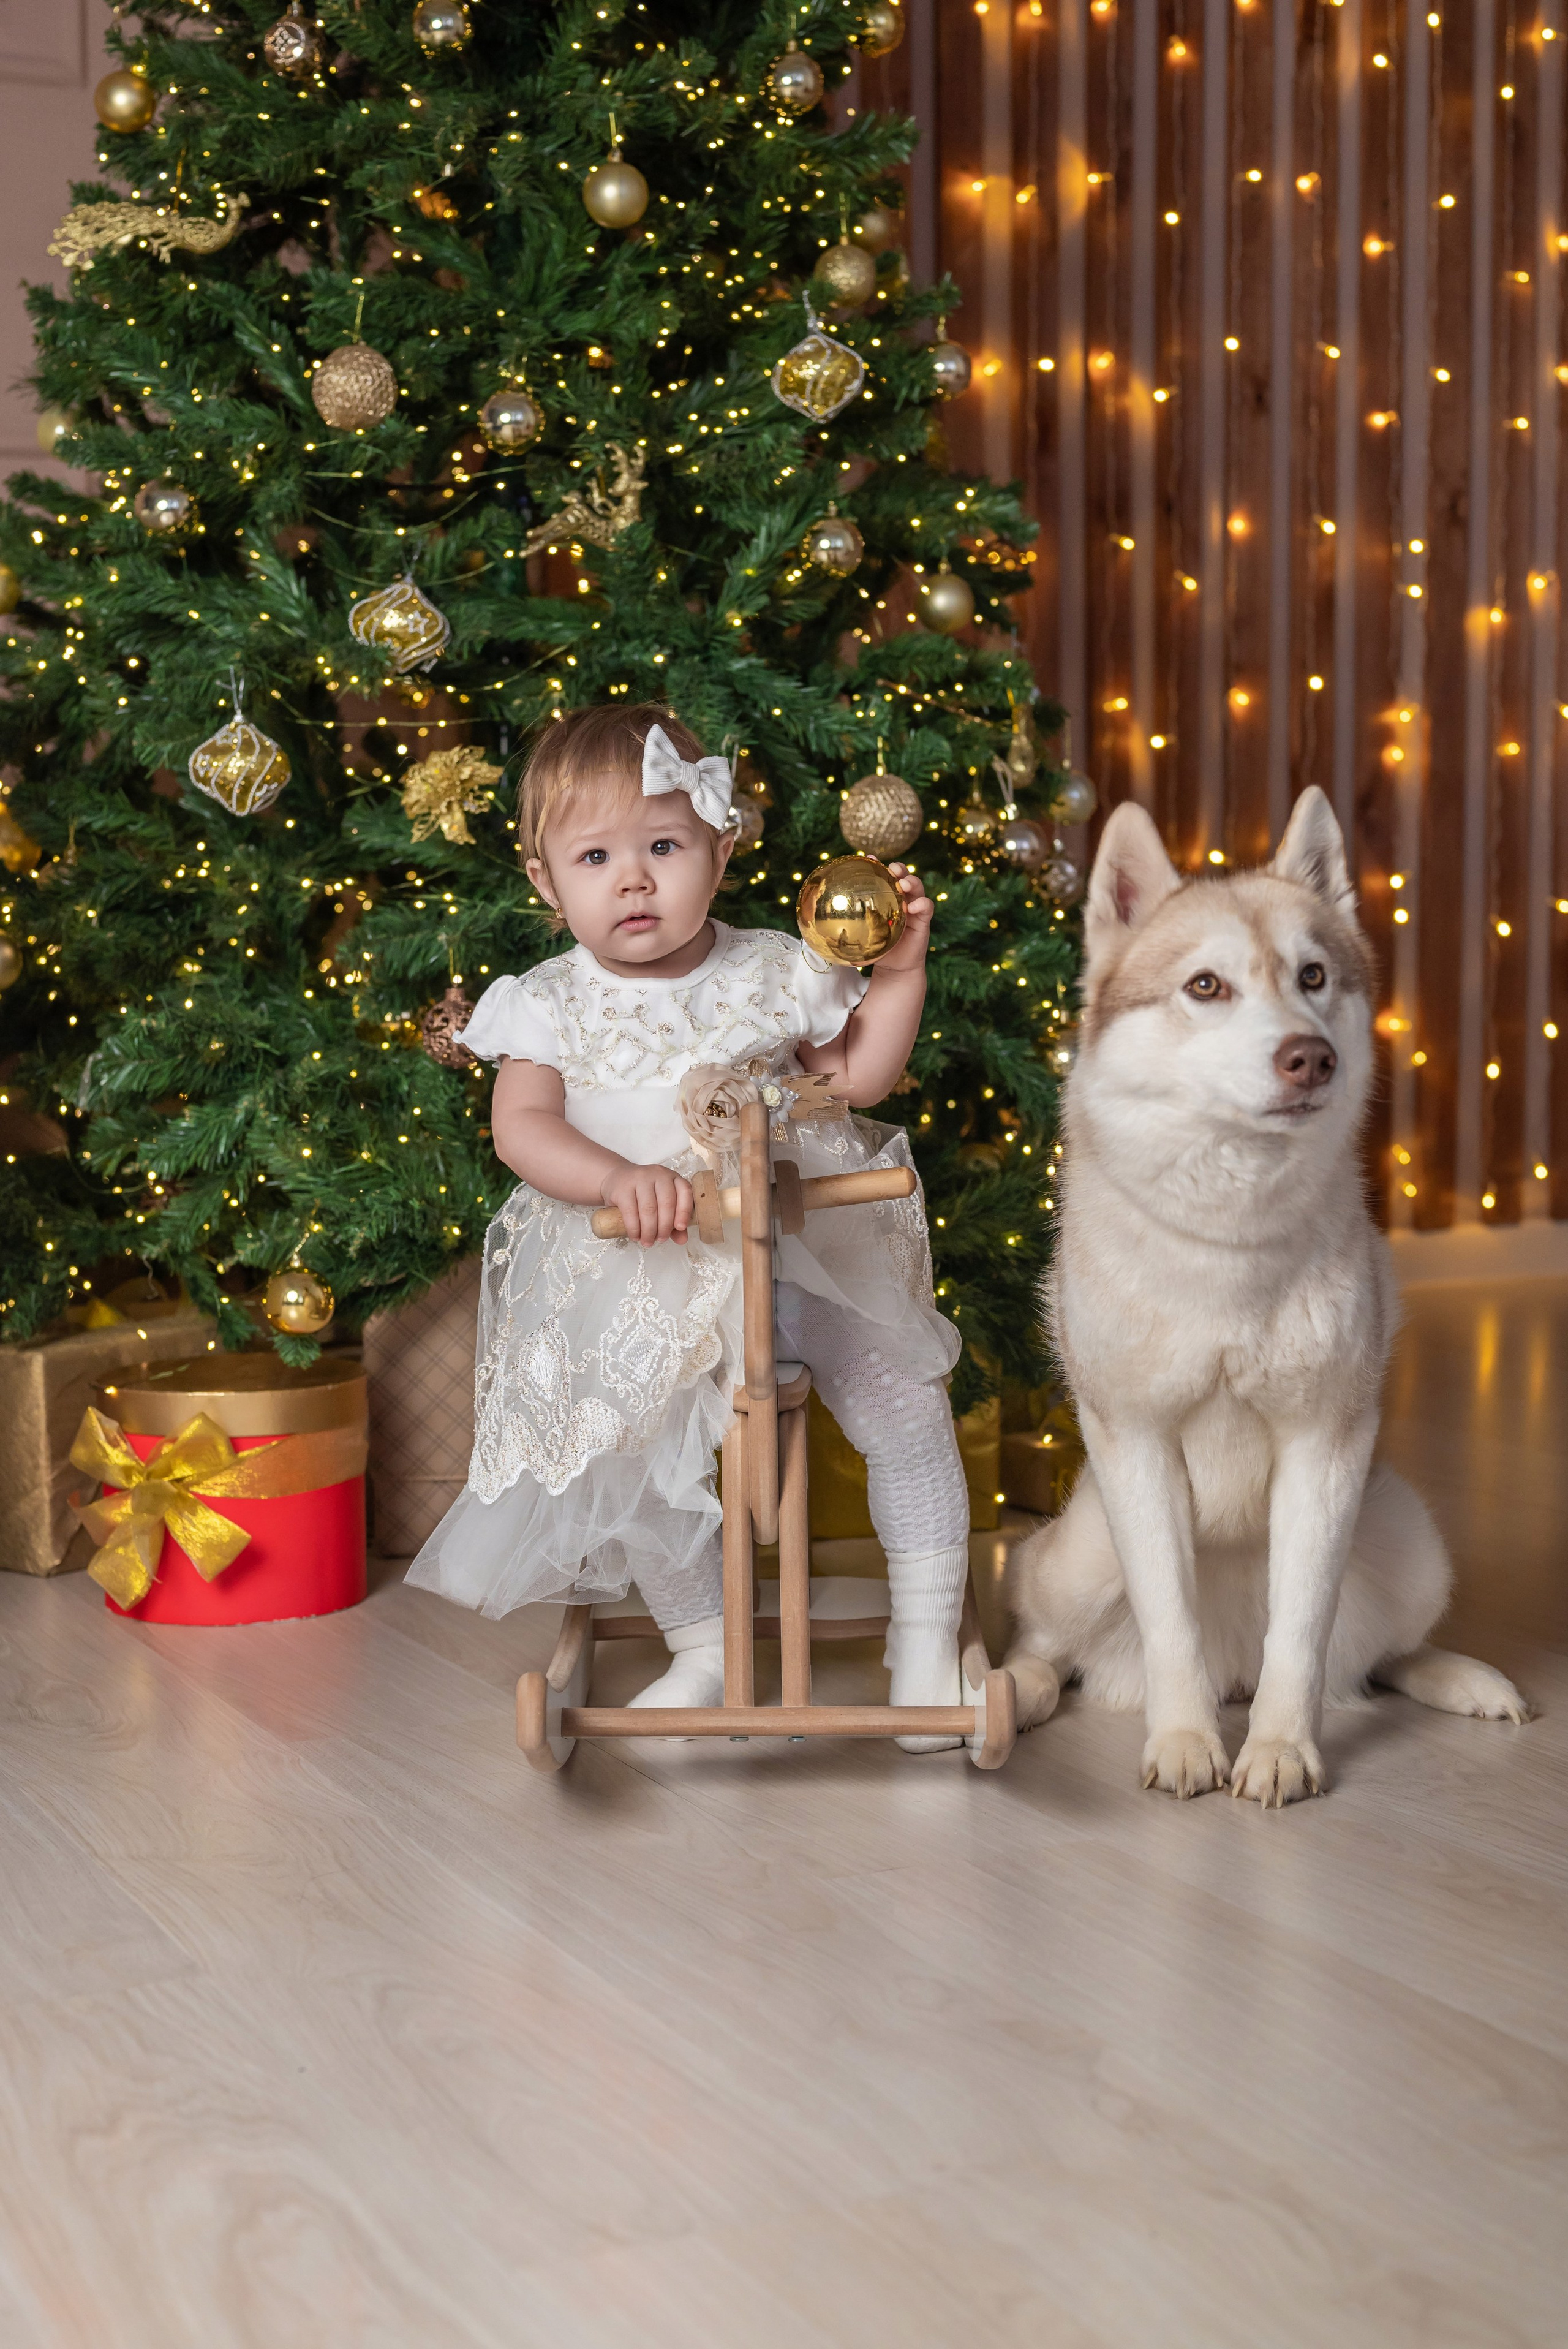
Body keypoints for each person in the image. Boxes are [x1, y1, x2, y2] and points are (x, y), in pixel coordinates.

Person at [407, 703, 974, 1749]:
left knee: (901, 1396)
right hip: (645, 1262)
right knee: (641, 1440)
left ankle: (927, 1634)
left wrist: (897, 975)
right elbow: (520, 1129)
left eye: (663, 846)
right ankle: (703, 1641)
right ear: (545, 881)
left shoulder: (771, 966)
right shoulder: (548, 1002)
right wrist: (616, 1177)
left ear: (719, 850)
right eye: (596, 857)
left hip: (801, 1241)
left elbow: (857, 1076)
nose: (633, 879)